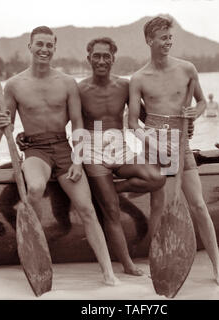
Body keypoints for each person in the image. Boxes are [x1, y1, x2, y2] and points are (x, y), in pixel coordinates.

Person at [0, 26, 120, 286]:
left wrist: (77, 159)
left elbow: (77, 123)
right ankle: (34, 250)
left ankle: (108, 272)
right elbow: (5, 120)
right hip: (35, 150)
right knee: (36, 187)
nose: (44, 49)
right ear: (30, 46)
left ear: (54, 48)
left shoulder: (66, 83)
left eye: (49, 45)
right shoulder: (15, 84)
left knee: (86, 208)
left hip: (64, 149)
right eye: (39, 44)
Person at [128, 15, 219, 287]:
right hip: (153, 147)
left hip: (181, 142)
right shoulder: (138, 78)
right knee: (158, 207)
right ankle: (160, 264)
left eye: (170, 37)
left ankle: (218, 268)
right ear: (149, 40)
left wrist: (193, 113)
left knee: (197, 204)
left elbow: (201, 103)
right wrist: (153, 141)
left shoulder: (187, 69)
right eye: (163, 38)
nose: (168, 42)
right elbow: (132, 122)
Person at [77, 37, 166, 276]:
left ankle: (112, 189)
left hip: (121, 147)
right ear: (89, 59)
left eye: (107, 56)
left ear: (113, 59)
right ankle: (126, 263)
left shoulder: (125, 86)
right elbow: (64, 121)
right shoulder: (80, 89)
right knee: (112, 211)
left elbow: (147, 117)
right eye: (97, 56)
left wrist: (178, 127)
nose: (102, 60)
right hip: (93, 151)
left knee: (157, 177)